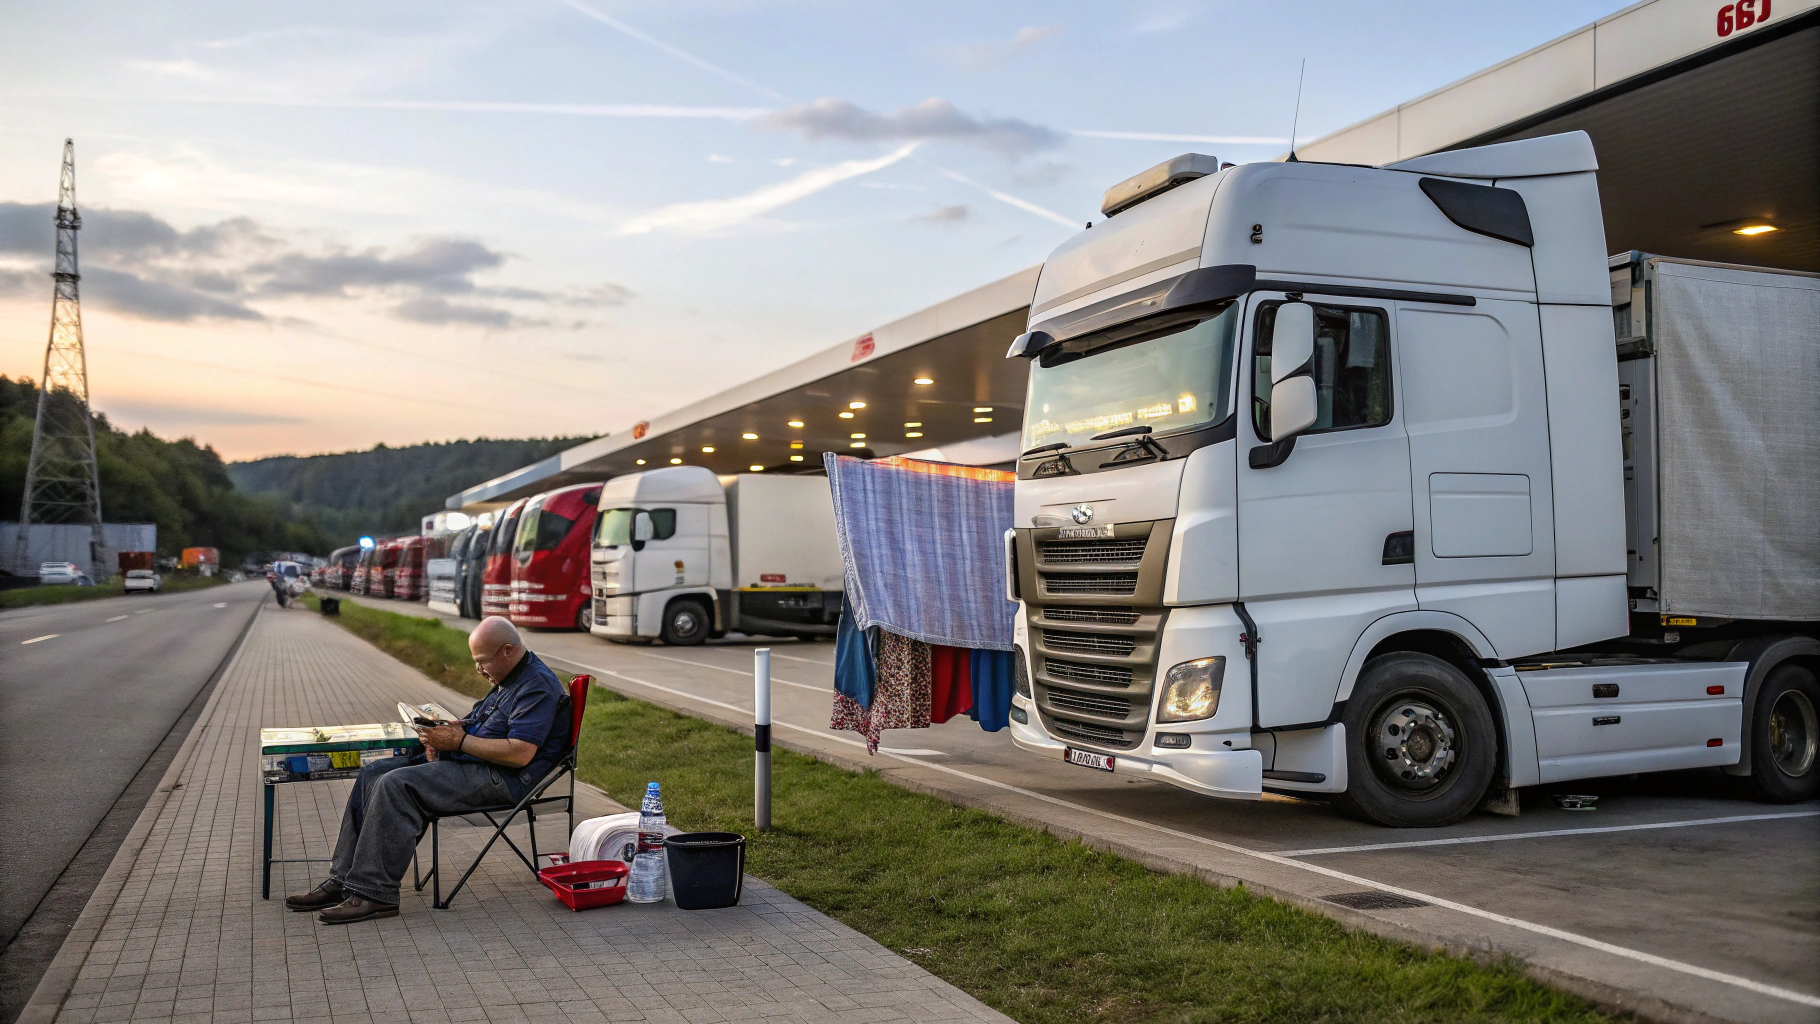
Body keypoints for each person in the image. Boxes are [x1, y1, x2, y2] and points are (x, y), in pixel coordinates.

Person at [285, 616, 571, 923]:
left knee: (396, 785)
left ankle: (374, 894)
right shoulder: (510, 676)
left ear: (507, 651)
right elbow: (485, 724)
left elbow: (520, 753)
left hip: (503, 778)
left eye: (482, 661)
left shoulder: (536, 686)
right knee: (373, 773)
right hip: (475, 764)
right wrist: (443, 736)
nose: (478, 669)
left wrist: (458, 742)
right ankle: (344, 880)